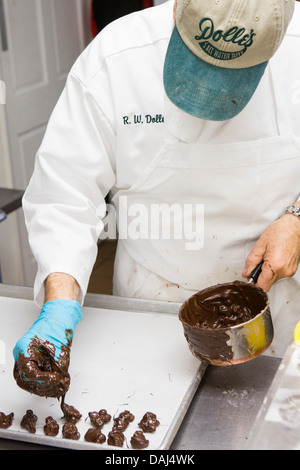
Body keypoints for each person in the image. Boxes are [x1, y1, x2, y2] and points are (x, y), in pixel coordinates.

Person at [13, 0, 300, 397]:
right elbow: (65, 194)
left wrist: (297, 217)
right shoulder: (116, 58)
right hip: (151, 300)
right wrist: (59, 304)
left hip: (277, 309)